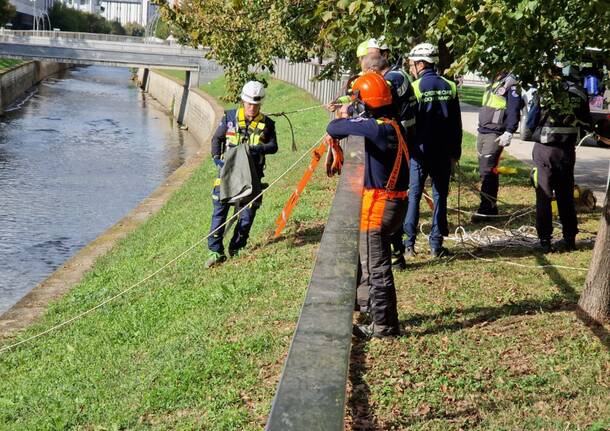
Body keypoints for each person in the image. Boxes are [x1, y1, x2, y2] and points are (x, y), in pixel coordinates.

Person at [326, 71, 409, 338]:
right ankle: (374, 311)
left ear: (365, 102)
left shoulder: (376, 128)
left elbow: (334, 128)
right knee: (376, 264)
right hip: (394, 205)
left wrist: (348, 111)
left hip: (380, 208)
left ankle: (384, 327)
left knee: (377, 267)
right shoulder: (394, 124)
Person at [205, 81, 278, 268]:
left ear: (261, 104)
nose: (252, 108)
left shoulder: (267, 124)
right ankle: (215, 252)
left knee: (247, 215)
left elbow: (273, 147)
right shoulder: (229, 117)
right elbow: (217, 139)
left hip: (252, 177)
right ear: (243, 102)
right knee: (220, 212)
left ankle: (236, 248)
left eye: (256, 105)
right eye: (249, 104)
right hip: (227, 174)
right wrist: (216, 158)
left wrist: (256, 149)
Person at [402, 43, 462, 258]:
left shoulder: (415, 88)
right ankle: (436, 244)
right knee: (440, 197)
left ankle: (408, 244)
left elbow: (408, 123)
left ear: (420, 64)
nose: (410, 69)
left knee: (414, 196)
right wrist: (456, 153)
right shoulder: (451, 86)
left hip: (419, 151)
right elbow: (456, 123)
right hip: (444, 152)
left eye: (411, 64)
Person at [527, 71, 591, 253]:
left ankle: (545, 240)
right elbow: (587, 124)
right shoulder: (579, 93)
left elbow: (531, 122)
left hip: (545, 151)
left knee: (544, 196)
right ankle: (569, 238)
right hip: (567, 152)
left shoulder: (545, 91)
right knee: (565, 197)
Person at [364, 54, 417, 269]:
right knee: (396, 195)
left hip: (394, 139)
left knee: (388, 196)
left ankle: (395, 254)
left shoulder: (390, 81)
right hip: (404, 139)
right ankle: (397, 253)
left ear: (373, 71)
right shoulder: (400, 75)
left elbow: (377, 105)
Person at [471, 72, 522, 222]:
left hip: (496, 133)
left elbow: (514, 109)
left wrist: (509, 131)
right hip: (483, 131)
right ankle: (491, 208)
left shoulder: (511, 84)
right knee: (485, 172)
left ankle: (485, 209)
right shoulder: (493, 81)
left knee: (488, 171)